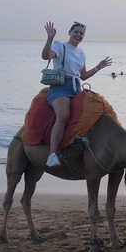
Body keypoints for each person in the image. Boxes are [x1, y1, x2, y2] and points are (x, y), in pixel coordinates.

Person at [42, 21, 112, 167]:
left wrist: (98, 67)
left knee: (92, 112)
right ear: (69, 32)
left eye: (81, 33)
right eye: (76, 32)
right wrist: (49, 38)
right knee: (63, 116)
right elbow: (45, 56)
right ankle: (52, 154)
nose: (78, 35)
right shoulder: (59, 45)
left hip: (76, 88)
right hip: (60, 87)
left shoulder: (81, 53)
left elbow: (83, 76)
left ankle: (81, 147)